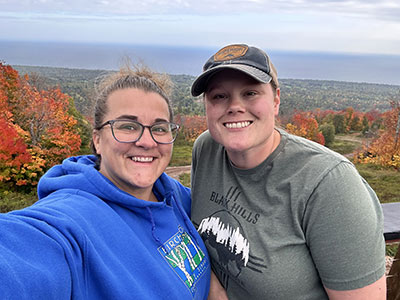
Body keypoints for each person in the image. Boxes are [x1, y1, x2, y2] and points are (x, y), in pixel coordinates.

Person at [190, 44, 386, 299]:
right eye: (219, 96)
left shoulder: (329, 183)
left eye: (250, 93)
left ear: (275, 100)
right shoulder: (207, 149)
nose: (235, 106)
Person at [0, 65, 211, 299]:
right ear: (97, 140)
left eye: (159, 128)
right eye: (128, 126)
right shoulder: (70, 223)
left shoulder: (171, 194)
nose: (147, 141)